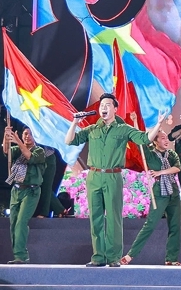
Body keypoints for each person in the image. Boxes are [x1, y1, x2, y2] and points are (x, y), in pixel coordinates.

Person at [65, 93, 165, 267]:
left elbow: (145, 138)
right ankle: (98, 257)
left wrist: (158, 124)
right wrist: (74, 122)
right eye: (101, 105)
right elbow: (69, 141)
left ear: (115, 109)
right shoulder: (92, 129)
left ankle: (113, 258)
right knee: (95, 218)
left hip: (113, 176)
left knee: (113, 218)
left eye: (108, 105)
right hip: (94, 176)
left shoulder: (123, 129)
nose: (103, 108)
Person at [122, 123, 181, 266]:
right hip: (159, 192)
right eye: (162, 138)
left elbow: (177, 168)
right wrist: (136, 123)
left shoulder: (171, 154)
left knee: (175, 226)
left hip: (173, 192)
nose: (166, 140)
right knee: (150, 224)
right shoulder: (149, 154)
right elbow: (140, 142)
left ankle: (171, 259)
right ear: (155, 141)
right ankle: (130, 255)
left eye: (166, 138)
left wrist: (160, 172)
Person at [3, 126, 46, 264]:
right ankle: (18, 255)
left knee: (21, 222)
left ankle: (21, 255)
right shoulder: (17, 150)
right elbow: (6, 151)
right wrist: (6, 135)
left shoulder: (39, 151)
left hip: (31, 191)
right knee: (13, 223)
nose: (27, 136)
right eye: (25, 134)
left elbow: (29, 156)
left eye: (31, 134)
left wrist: (18, 141)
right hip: (16, 190)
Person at [34, 146, 68, 218]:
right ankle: (60, 209)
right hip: (36, 159)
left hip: (47, 158)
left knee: (46, 186)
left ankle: (44, 213)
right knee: (40, 185)